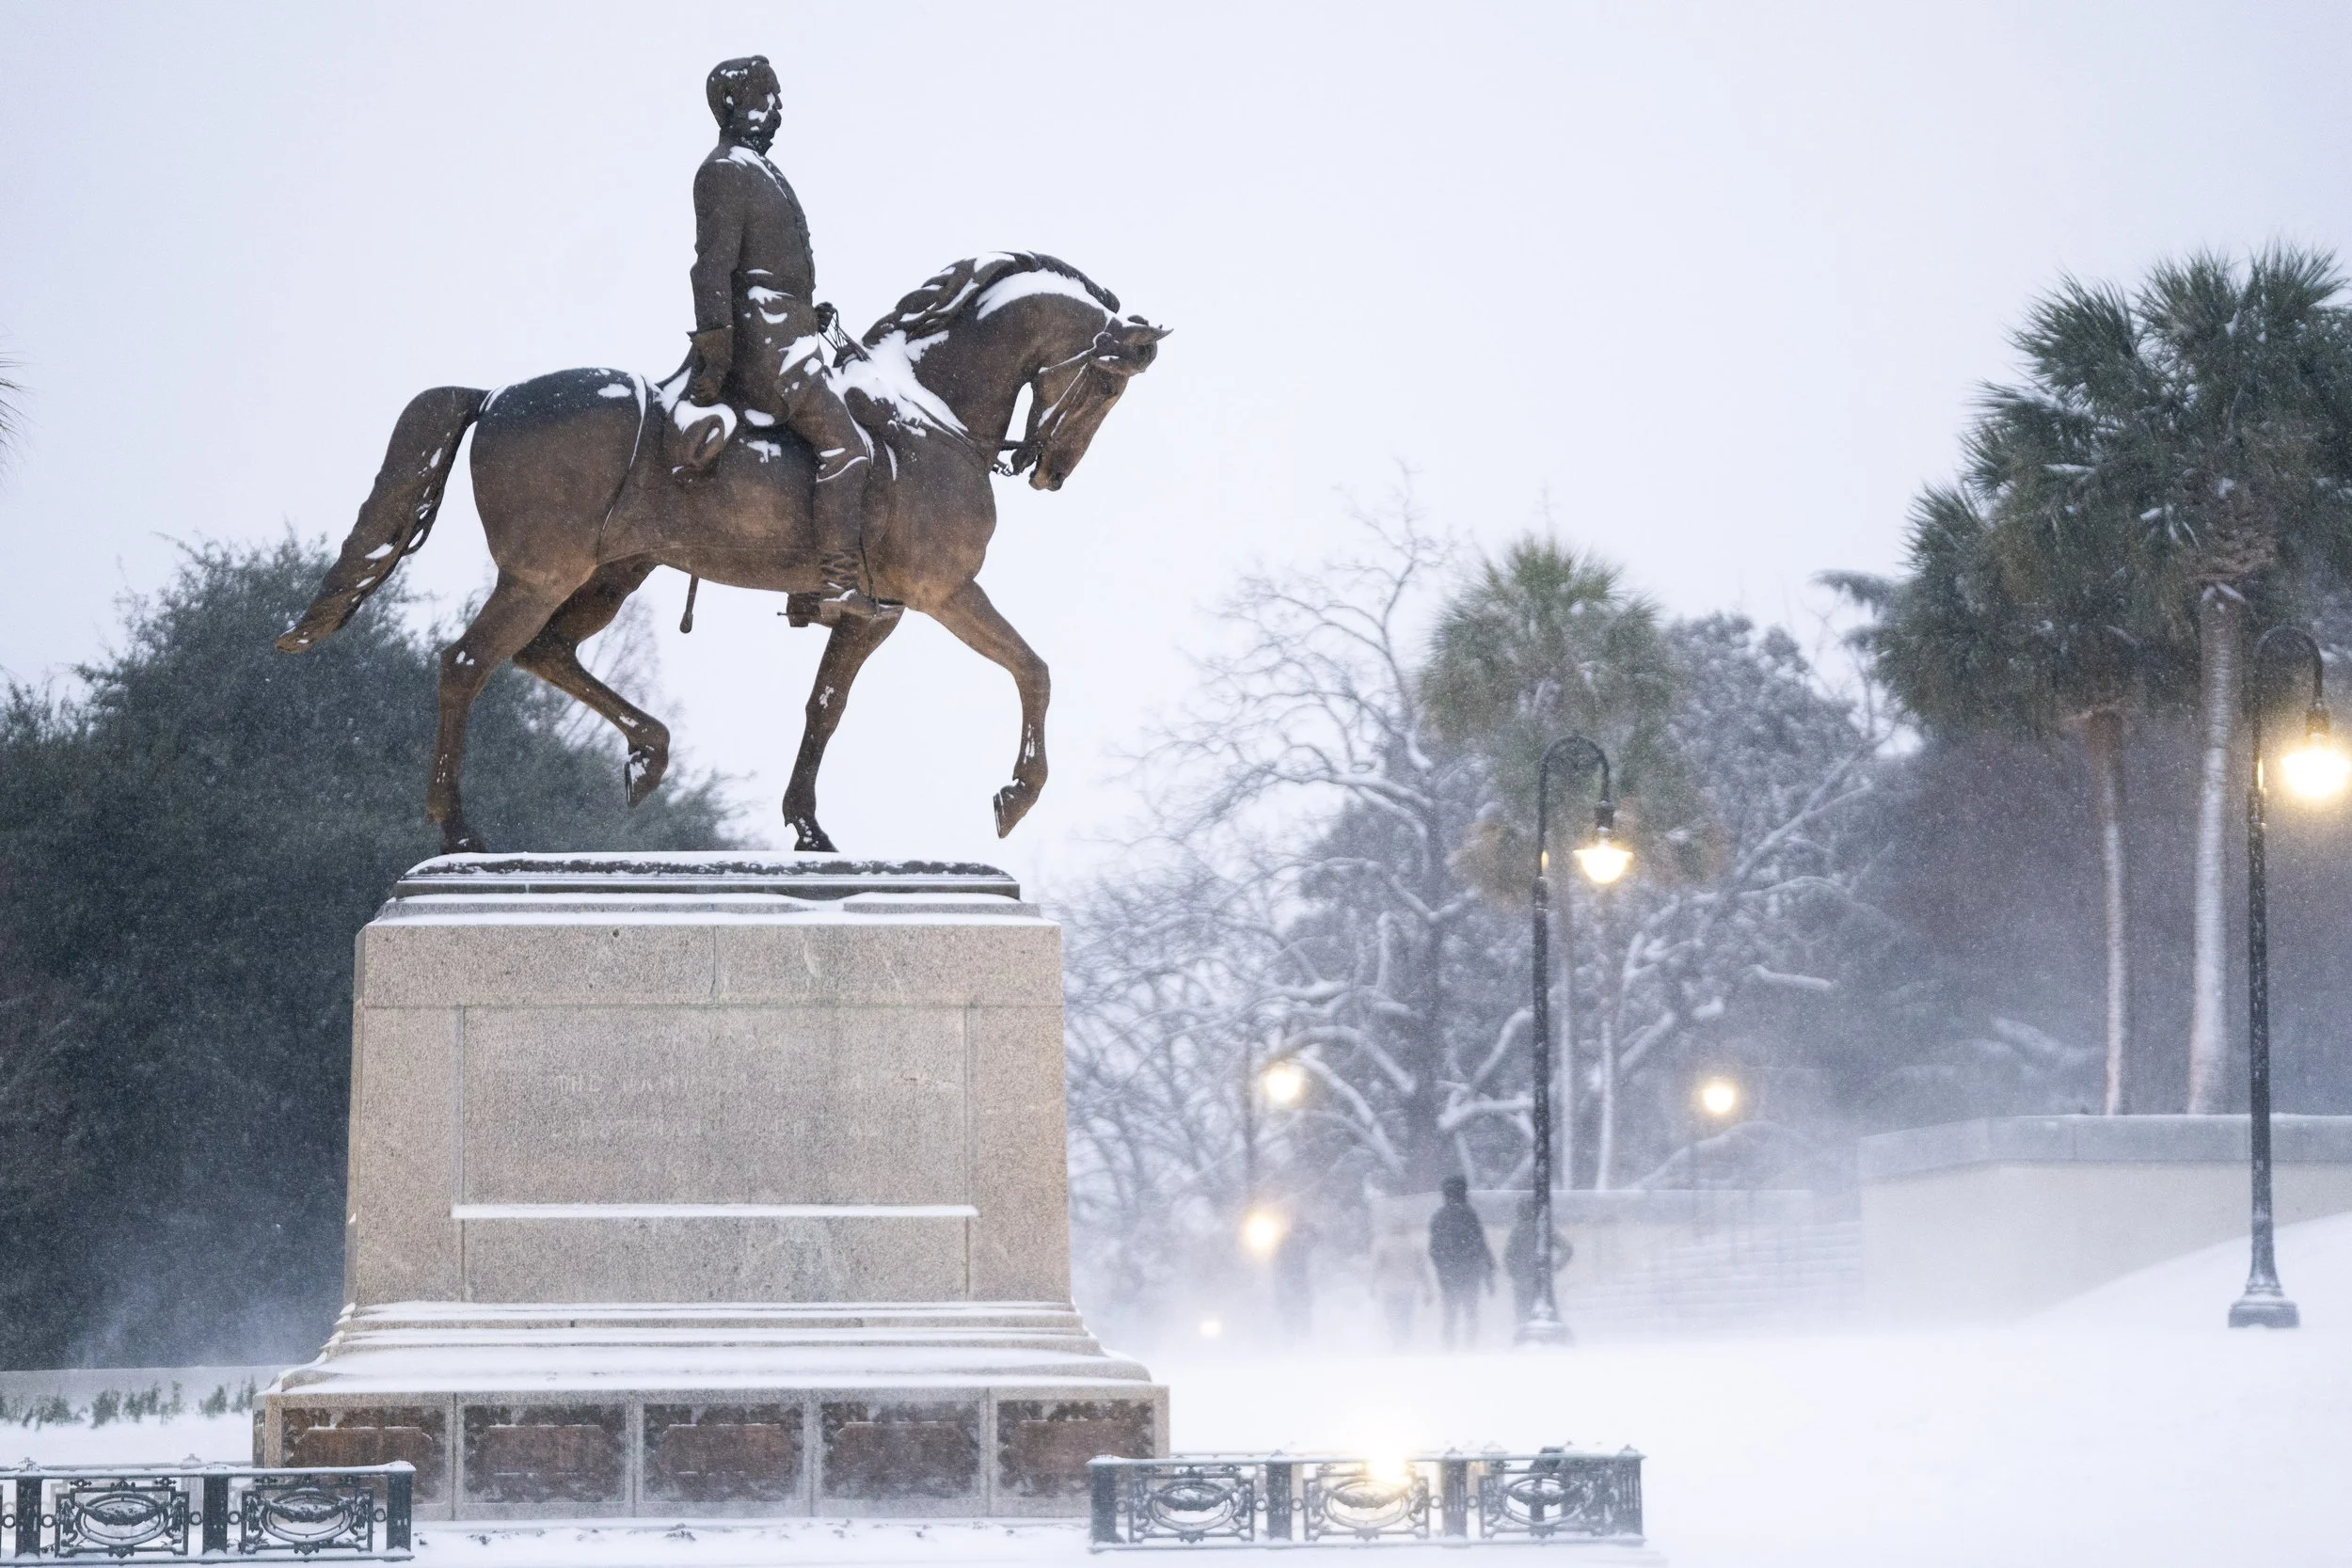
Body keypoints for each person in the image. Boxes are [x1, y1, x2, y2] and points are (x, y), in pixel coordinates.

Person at [678, 55, 880, 625]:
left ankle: (801, 579)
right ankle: (834, 587)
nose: (778, 110)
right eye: (767, 98)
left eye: (778, 99)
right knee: (847, 448)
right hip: (766, 351)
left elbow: (765, 273)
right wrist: (717, 356)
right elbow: (712, 272)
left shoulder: (759, 170)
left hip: (789, 335)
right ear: (733, 106)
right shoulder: (725, 171)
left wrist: (807, 313)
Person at [1426, 1175, 1495, 1350]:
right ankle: (1469, 1346)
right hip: (1470, 1272)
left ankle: (1449, 1347)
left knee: (1450, 1313)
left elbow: (1433, 1250)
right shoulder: (1470, 1214)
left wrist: (1442, 1268)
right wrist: (1488, 1271)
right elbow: (1480, 1243)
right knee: (1471, 1311)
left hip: (1448, 1274)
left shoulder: (1439, 1216)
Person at [1503, 1196, 1573, 1325]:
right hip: (1540, 1282)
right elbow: (1567, 1248)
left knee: (1522, 1318)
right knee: (1544, 1316)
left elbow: (1508, 1257)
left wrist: (1516, 1274)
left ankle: (1525, 1340)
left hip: (1522, 1283)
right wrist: (1554, 1267)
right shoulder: (1543, 1229)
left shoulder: (1517, 1231)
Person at [1371, 1223, 1434, 1350]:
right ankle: (1405, 1340)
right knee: (1406, 1315)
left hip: (1389, 1287)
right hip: (1408, 1286)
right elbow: (1421, 1269)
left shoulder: (1383, 1245)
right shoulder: (1414, 1245)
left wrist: (1372, 1285)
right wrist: (1428, 1288)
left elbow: (1377, 1267)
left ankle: (1395, 1339)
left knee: (1391, 1315)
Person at [1272, 1219, 1320, 1341]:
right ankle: (1296, 1341)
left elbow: (1316, 1240)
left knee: (1298, 1319)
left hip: (1297, 1287)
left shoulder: (1299, 1246)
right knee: (1293, 1320)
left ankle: (1299, 1341)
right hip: (1292, 1288)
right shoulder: (1287, 1246)